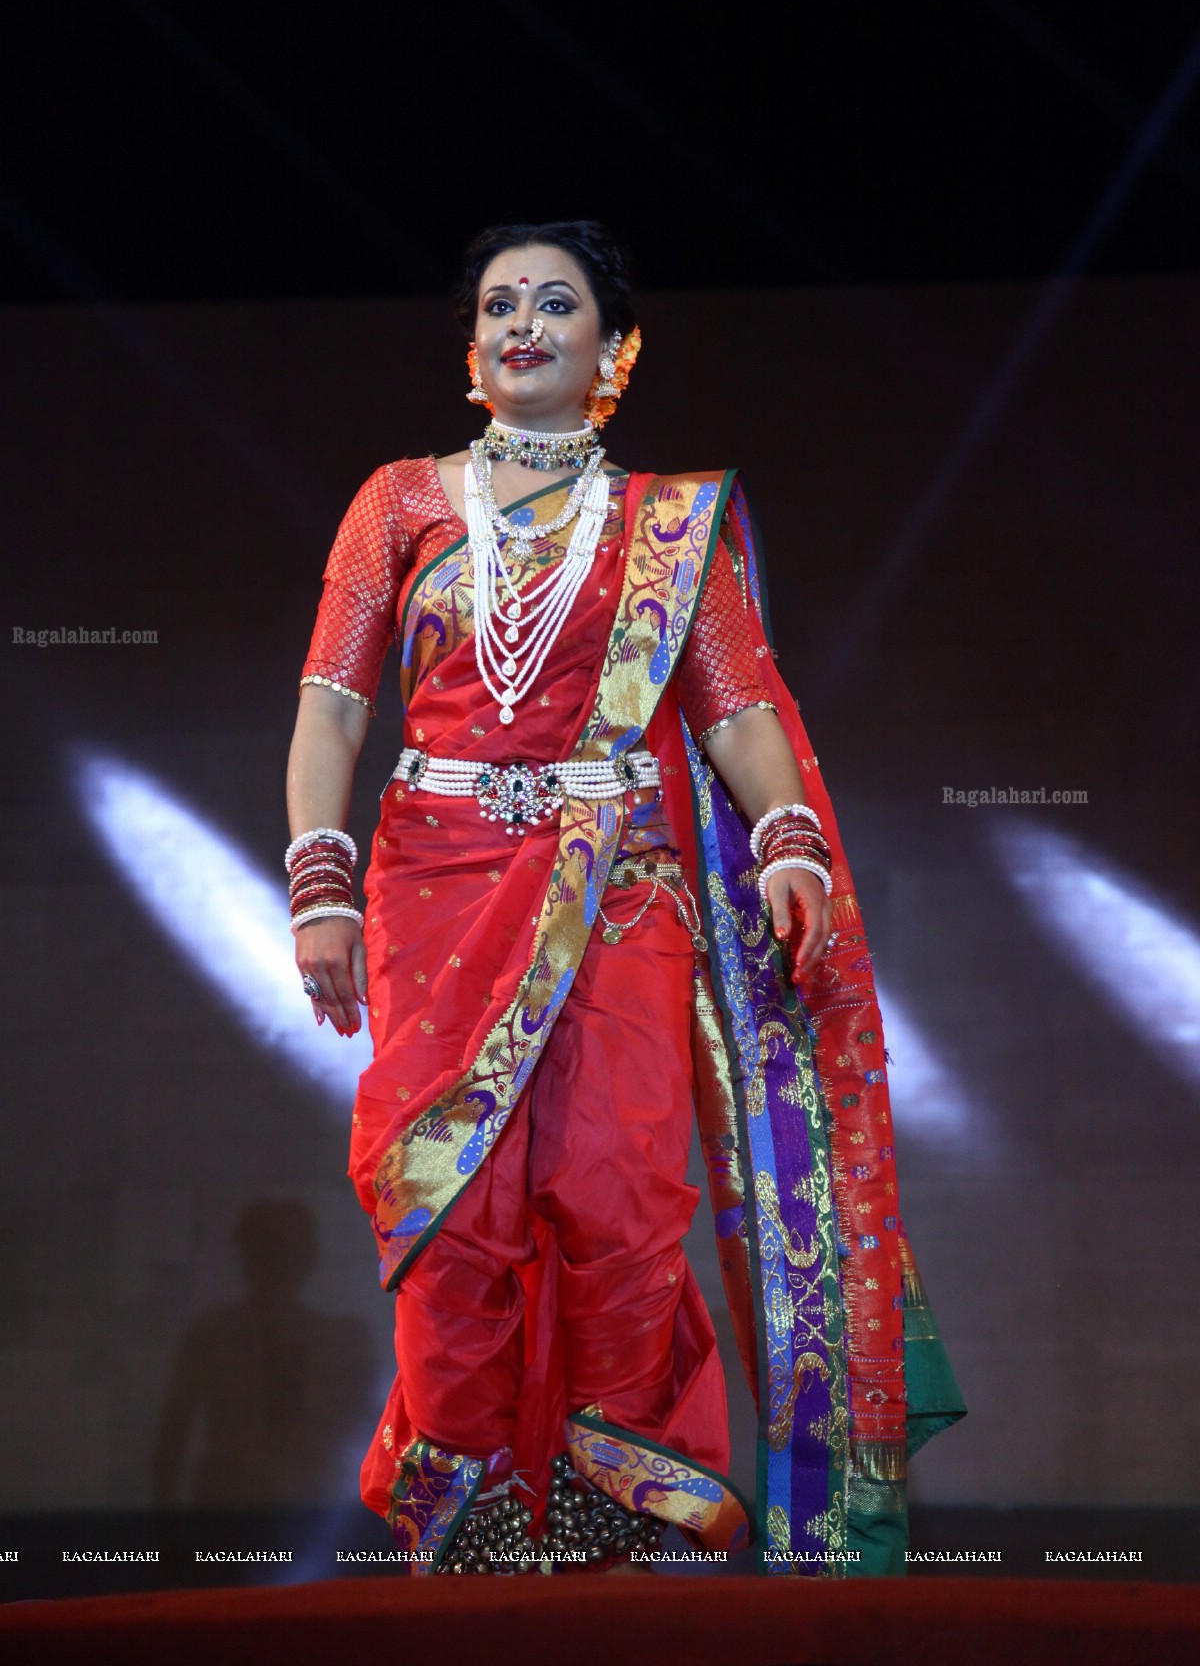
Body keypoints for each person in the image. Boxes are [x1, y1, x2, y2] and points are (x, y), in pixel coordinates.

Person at [285, 219, 964, 1578]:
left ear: (616, 350)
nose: (524, 322)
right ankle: (469, 1489)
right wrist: (322, 883)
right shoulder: (398, 503)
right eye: (498, 305)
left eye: (557, 303)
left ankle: (613, 1477)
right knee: (446, 1199)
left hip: (621, 889)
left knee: (618, 1183)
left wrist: (787, 842)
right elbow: (331, 706)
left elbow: (736, 703)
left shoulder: (665, 527)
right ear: (471, 349)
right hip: (433, 883)